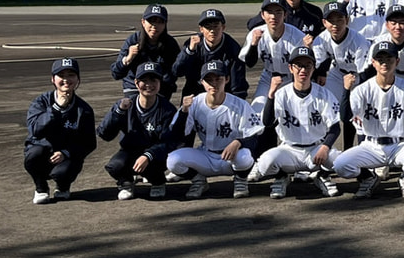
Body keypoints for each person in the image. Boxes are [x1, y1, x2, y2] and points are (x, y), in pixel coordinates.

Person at [334, 41, 404, 199]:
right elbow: (345, 117)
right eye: (380, 60)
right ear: (373, 63)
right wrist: (346, 90)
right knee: (340, 165)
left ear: (397, 61)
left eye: (389, 59)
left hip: (400, 144)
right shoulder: (362, 89)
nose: (385, 63)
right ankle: (369, 178)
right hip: (371, 145)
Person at [245, 46, 342, 199]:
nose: (303, 70)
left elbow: (335, 127)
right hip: (289, 149)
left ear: (313, 67)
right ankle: (282, 176)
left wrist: (325, 147)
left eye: (307, 65)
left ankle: (321, 175)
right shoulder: (282, 94)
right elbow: (268, 122)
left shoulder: (324, 94)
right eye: (298, 65)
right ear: (290, 68)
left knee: (344, 164)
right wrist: (270, 96)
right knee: (265, 163)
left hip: (316, 149)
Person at [166, 59, 262, 199]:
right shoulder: (194, 103)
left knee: (245, 157)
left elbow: (255, 134)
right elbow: (176, 134)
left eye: (218, 79)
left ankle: (241, 180)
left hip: (231, 159)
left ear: (227, 79)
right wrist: (183, 112)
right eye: (209, 80)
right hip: (206, 155)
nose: (214, 83)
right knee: (173, 160)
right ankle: (198, 181)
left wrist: (238, 142)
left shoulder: (239, 105)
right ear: (202, 82)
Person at [97, 61, 180, 200]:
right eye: (144, 80)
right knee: (115, 166)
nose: (149, 85)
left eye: (153, 80)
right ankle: (126, 182)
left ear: (160, 82)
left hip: (155, 155)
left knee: (154, 165)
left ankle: (158, 182)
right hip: (130, 151)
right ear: (136, 83)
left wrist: (148, 155)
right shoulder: (125, 105)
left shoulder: (167, 109)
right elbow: (104, 133)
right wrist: (118, 113)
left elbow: (170, 141)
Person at [24, 58, 97, 204]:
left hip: (66, 157)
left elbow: (89, 143)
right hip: (43, 151)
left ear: (78, 79)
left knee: (63, 172)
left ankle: (63, 186)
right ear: (53, 79)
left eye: (71, 75)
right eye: (61, 75)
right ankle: (41, 187)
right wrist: (56, 109)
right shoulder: (41, 102)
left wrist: (66, 153)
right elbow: (34, 130)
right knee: (33, 155)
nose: (66, 80)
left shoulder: (84, 110)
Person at [239, 0, 306, 112]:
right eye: (269, 12)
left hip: (291, 78)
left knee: (294, 112)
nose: (273, 16)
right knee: (257, 112)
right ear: (262, 15)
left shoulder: (297, 36)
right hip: (268, 77)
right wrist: (254, 44)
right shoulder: (257, 34)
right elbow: (250, 63)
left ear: (285, 14)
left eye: (278, 12)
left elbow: (304, 65)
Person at [172, 8, 248, 100]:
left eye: (216, 26)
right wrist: (189, 51)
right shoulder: (193, 44)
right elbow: (178, 71)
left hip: (222, 94)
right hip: (195, 92)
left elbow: (238, 83)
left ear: (223, 27)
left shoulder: (232, 48)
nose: (212, 30)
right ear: (201, 29)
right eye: (208, 27)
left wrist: (237, 104)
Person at [110, 3, 179, 99]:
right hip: (134, 87)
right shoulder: (133, 40)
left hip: (160, 88)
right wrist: (128, 59)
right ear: (143, 22)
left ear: (165, 24)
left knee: (163, 110)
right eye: (151, 21)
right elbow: (116, 73)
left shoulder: (170, 44)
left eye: (160, 22)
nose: (155, 26)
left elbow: (176, 72)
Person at [312, 1, 372, 103]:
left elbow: (364, 72)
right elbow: (316, 63)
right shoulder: (322, 39)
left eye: (339, 20)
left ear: (347, 20)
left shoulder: (359, 41)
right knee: (328, 102)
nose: (335, 25)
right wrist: (320, 74)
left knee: (355, 108)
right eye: (331, 20)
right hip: (336, 72)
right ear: (324, 22)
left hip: (356, 76)